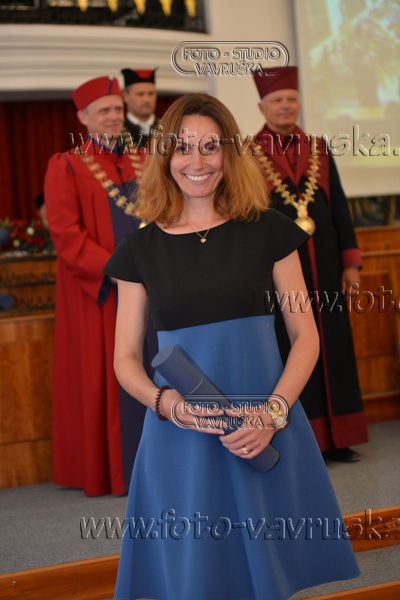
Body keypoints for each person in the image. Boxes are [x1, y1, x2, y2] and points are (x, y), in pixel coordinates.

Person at [103, 93, 360, 600]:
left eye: (210, 147)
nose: (196, 162)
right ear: (165, 155)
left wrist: (274, 413)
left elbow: (305, 336)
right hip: (180, 433)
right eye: (183, 148)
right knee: (196, 576)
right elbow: (125, 359)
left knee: (267, 572)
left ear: (229, 153)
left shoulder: (269, 230)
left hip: (263, 422)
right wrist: (166, 403)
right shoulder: (139, 249)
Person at [253, 66, 369, 463]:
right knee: (291, 347)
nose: (286, 106)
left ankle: (341, 436)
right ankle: (310, 440)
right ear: (262, 107)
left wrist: (351, 263)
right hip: (280, 271)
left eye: (291, 99)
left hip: (327, 267)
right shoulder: (248, 153)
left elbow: (340, 209)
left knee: (335, 347)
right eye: (277, 100)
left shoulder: (318, 147)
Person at [44, 75, 153, 497]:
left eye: (117, 109)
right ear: (83, 118)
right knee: (108, 374)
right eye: (103, 110)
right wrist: (117, 272)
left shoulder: (145, 160)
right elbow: (66, 235)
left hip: (153, 286)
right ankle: (116, 471)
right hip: (102, 292)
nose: (112, 116)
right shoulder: (67, 165)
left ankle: (159, 464)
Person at [121, 68, 159, 149]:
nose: (147, 100)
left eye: (151, 94)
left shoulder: (168, 127)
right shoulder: (116, 132)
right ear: (126, 96)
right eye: (140, 94)